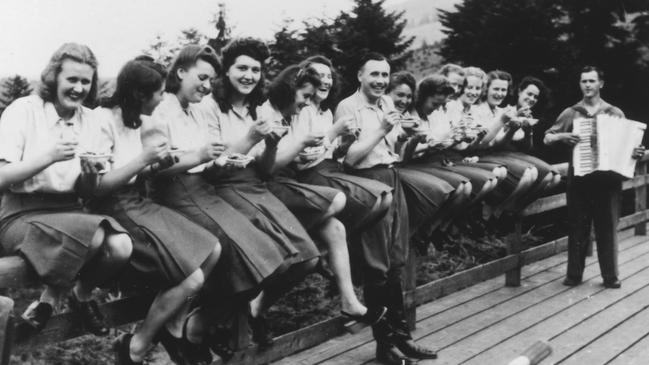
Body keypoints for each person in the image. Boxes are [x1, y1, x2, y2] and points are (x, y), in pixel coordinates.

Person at [145, 45, 292, 361]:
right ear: (180, 71)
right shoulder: (162, 110)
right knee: (239, 253)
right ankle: (181, 328)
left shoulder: (196, 110)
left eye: (211, 80)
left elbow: (208, 162)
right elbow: (155, 169)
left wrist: (218, 163)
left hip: (204, 190)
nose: (207, 86)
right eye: (201, 77)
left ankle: (196, 323)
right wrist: (198, 157)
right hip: (175, 194)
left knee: (271, 258)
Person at [83, 56, 222, 365]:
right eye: (159, 93)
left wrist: (160, 161)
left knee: (212, 248)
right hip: (113, 206)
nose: (163, 99)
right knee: (193, 279)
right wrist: (145, 160)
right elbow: (97, 187)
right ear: (139, 95)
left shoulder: (138, 119)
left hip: (136, 200)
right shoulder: (103, 120)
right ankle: (136, 344)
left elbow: (140, 171)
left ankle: (174, 324)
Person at [0, 43, 132, 336]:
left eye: (86, 81)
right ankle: (51, 300)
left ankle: (75, 296)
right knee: (97, 235)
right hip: (22, 213)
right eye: (71, 79)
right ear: (53, 79)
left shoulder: (91, 119)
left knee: (121, 247)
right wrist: (48, 156)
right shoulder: (24, 111)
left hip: (70, 211)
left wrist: (89, 176)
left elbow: (89, 192)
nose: (79, 88)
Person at [198, 37, 321, 347]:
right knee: (268, 260)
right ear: (226, 71)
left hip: (255, 184)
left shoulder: (258, 106)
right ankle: (213, 321)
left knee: (307, 259)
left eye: (255, 69)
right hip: (221, 187)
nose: (248, 76)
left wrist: (272, 144)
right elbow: (213, 167)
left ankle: (252, 309)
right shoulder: (210, 107)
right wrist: (252, 137)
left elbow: (266, 169)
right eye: (241, 68)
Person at [263, 63, 389, 331]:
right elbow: (289, 161)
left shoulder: (308, 111)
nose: (324, 82)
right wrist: (323, 140)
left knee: (337, 227)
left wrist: (339, 142)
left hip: (297, 176)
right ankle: (259, 301)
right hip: (278, 181)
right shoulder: (282, 112)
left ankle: (349, 300)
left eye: (329, 76)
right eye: (306, 93)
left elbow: (315, 152)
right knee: (340, 202)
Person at [335, 52, 439, 365]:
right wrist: (382, 129)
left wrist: (412, 138)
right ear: (360, 76)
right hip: (366, 184)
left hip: (391, 177)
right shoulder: (347, 107)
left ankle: (403, 338)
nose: (380, 81)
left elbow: (395, 152)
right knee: (376, 266)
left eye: (384, 75)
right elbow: (350, 159)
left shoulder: (386, 104)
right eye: (374, 75)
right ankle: (384, 346)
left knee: (396, 261)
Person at [544, 65, 645, 289]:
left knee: (607, 227)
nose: (587, 85)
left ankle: (610, 276)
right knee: (577, 227)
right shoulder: (571, 112)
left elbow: (628, 145)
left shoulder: (614, 113)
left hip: (607, 180)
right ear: (580, 84)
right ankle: (574, 275)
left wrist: (635, 152)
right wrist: (562, 135)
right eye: (583, 81)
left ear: (601, 84)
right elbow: (547, 138)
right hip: (579, 178)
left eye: (591, 81)